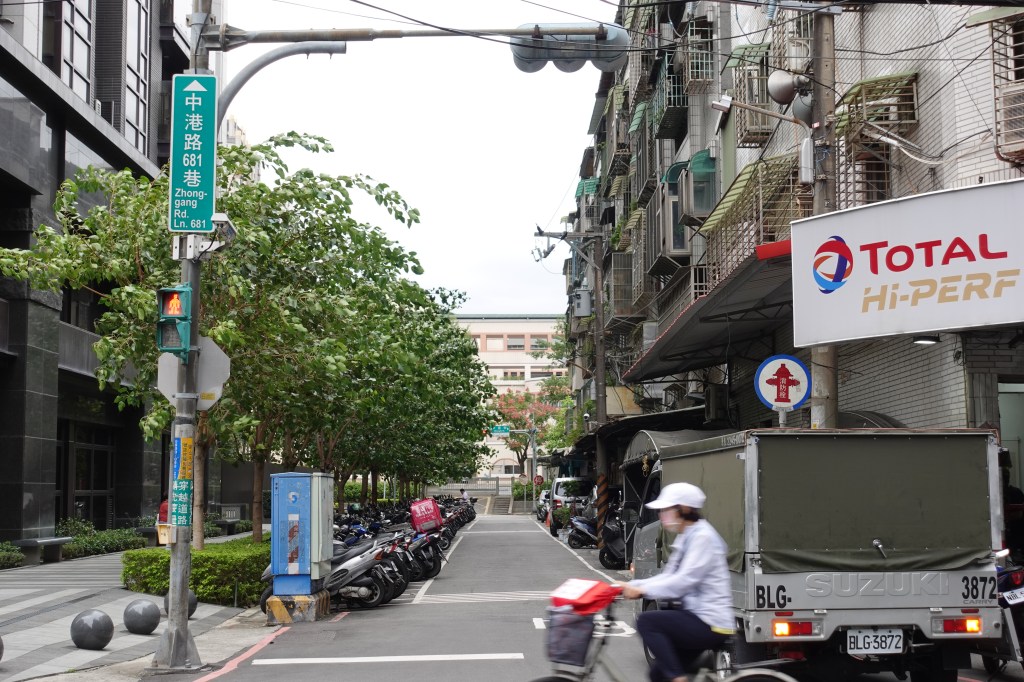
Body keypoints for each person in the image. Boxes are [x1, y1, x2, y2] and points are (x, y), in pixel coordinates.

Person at [615, 482, 734, 682]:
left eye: (666, 509)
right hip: (695, 617)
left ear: (684, 509)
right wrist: (630, 586)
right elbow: (669, 577)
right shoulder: (687, 536)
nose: (662, 515)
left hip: (710, 622)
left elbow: (683, 581)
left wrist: (640, 589)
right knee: (658, 674)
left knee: (647, 622)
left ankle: (678, 679)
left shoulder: (703, 537)